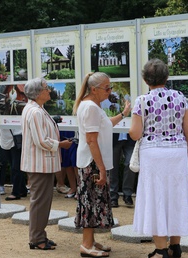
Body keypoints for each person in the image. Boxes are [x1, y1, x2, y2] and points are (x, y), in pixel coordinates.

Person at [129, 59, 188, 258]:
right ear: (166, 77)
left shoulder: (142, 101)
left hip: (153, 154)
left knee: (156, 197)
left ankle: (161, 249)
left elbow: (135, 132)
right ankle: (175, 246)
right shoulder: (180, 97)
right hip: (177, 152)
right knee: (176, 197)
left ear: (145, 78)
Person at [74, 72, 130, 257]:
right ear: (94, 89)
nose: (110, 91)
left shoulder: (92, 106)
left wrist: (123, 114)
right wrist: (102, 168)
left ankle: (90, 241)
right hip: (92, 163)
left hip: (92, 162)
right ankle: (86, 244)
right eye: (107, 88)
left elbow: (105, 125)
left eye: (110, 87)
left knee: (95, 202)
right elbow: (92, 140)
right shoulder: (90, 107)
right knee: (91, 203)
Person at [21, 77, 72, 251]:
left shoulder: (37, 109)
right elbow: (41, 141)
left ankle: (40, 235)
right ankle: (36, 238)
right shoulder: (35, 111)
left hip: (42, 163)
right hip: (39, 164)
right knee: (40, 202)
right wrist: (61, 145)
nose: (49, 90)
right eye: (46, 88)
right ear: (38, 92)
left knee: (43, 202)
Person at [110, 133, 136, 207]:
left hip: (130, 138)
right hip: (114, 138)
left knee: (131, 164)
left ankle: (127, 194)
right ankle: (113, 195)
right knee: (112, 166)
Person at [0, 128, 27, 200]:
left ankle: (16, 192)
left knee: (16, 167)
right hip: (5, 138)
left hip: (17, 136)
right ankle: (22, 189)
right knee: (14, 166)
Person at [59, 130, 79, 199]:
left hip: (76, 134)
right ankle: (73, 188)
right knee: (66, 160)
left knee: (75, 160)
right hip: (65, 128)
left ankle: (80, 189)